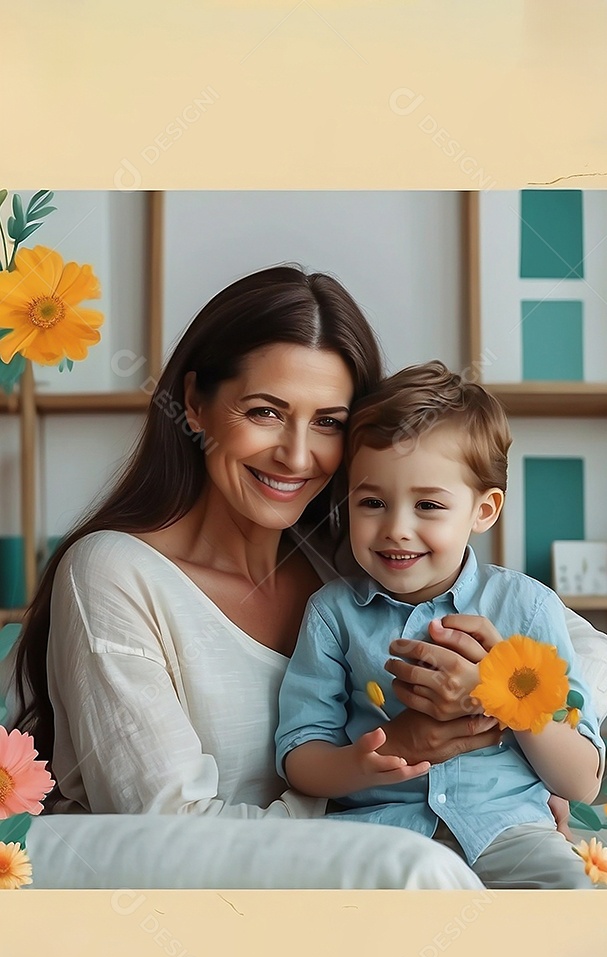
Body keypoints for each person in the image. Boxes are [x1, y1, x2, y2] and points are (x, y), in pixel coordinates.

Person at [6, 266, 513, 890]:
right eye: (266, 412)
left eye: (329, 422)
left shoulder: (357, 566)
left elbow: (577, 657)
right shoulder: (115, 573)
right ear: (194, 405)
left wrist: (500, 724)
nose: (298, 456)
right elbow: (170, 831)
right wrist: (368, 782)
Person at [275, 361, 605, 888]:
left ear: (484, 509)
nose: (396, 530)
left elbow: (582, 781)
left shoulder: (528, 608)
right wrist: (371, 759)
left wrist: (506, 694)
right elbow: (300, 757)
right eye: (372, 502)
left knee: (578, 900)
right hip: (378, 838)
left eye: (428, 504)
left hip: (508, 833)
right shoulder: (332, 614)